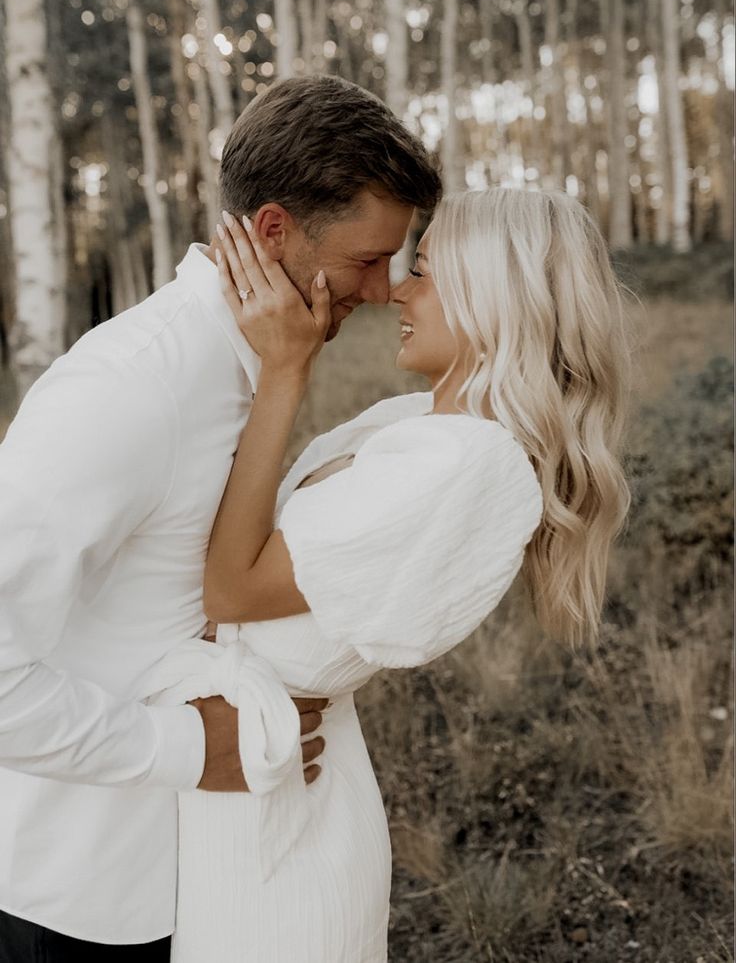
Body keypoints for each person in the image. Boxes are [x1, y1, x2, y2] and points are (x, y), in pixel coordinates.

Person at [0, 75, 441, 961]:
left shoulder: (260, 361)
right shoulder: (132, 390)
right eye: (365, 258)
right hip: (82, 898)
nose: (385, 287)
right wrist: (185, 746)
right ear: (274, 229)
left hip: (201, 877)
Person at [149, 186, 632, 962]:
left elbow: (232, 589)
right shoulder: (423, 426)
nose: (395, 290)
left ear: (493, 299)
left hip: (279, 824)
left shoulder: (469, 465)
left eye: (426, 271)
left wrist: (283, 372)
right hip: (245, 772)